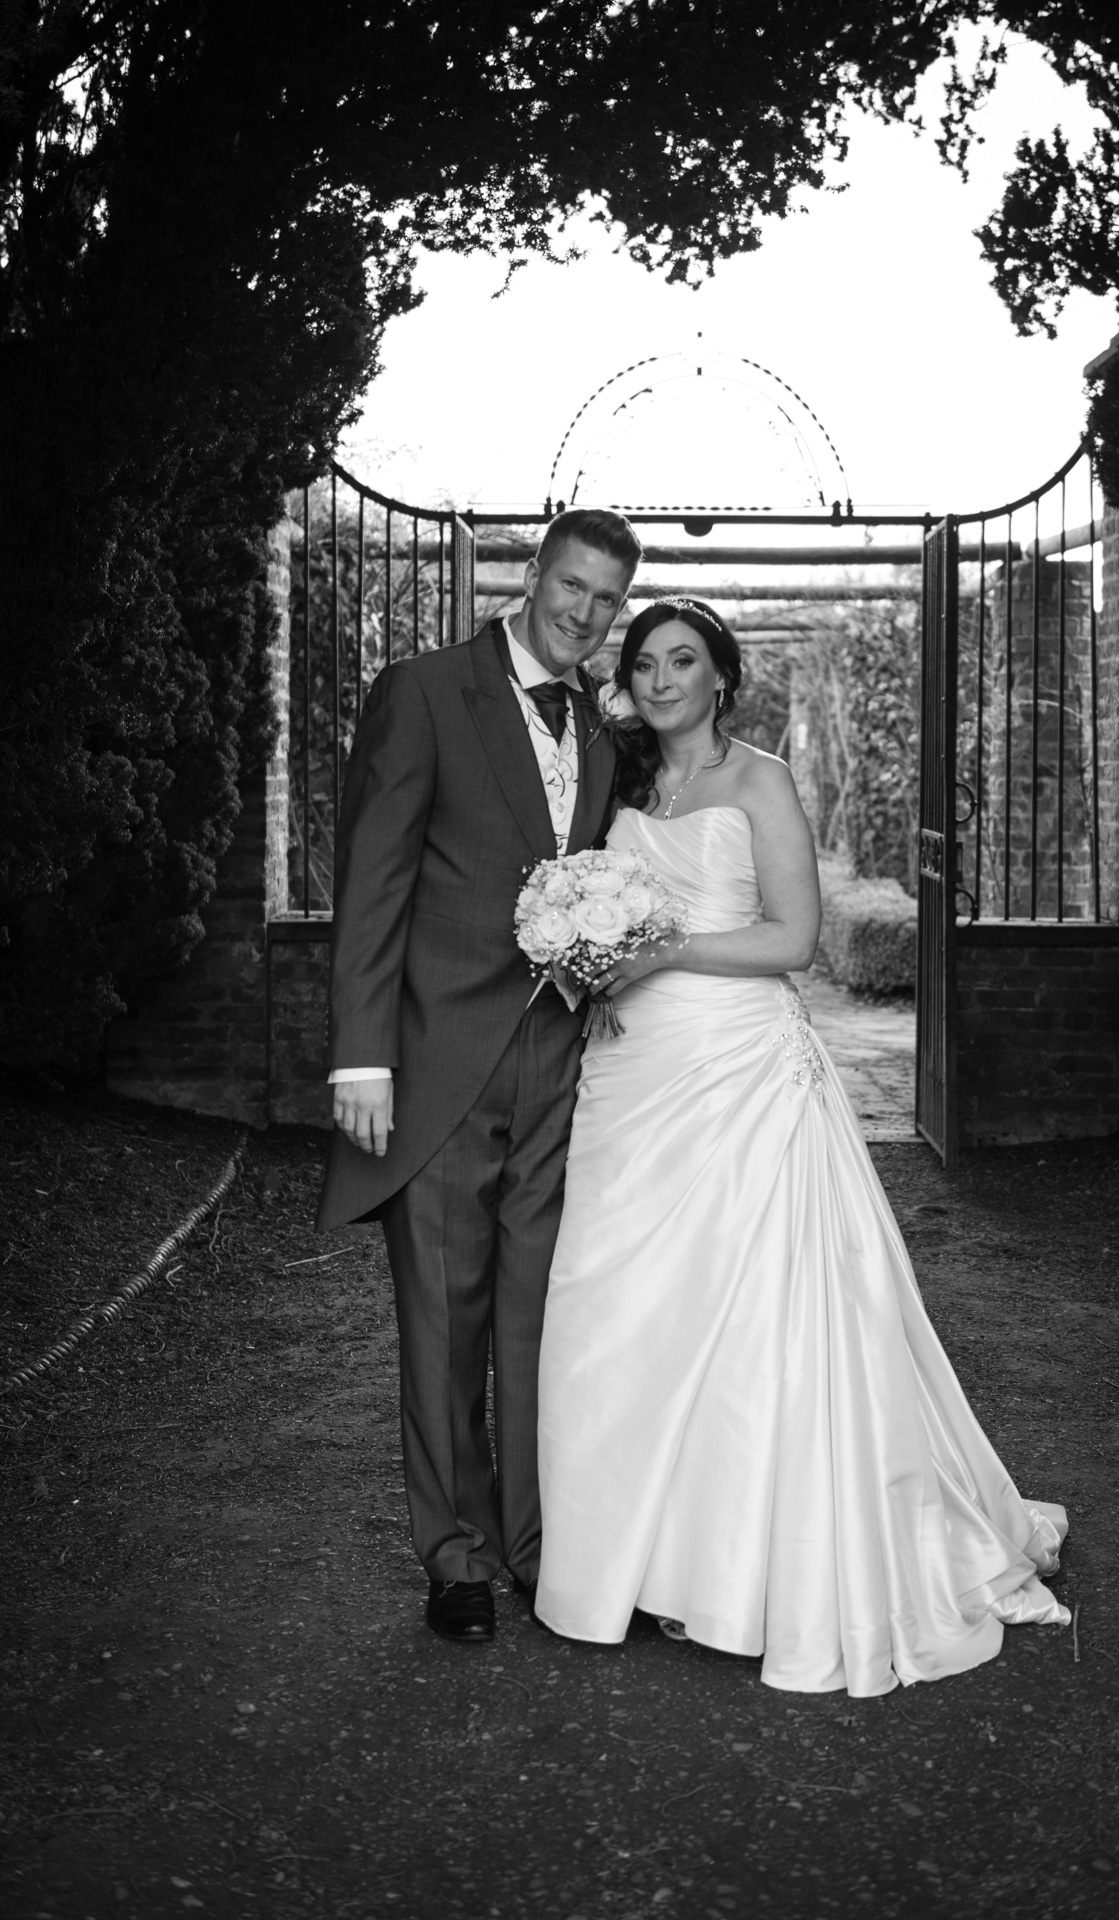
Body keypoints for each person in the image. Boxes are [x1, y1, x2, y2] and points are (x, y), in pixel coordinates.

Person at [534, 596, 1069, 1696]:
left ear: (723, 675)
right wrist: (586, 947)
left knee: (755, 1315)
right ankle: (633, 1562)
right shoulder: (618, 779)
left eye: (685, 658)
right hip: (629, 1073)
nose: (664, 676)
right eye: (646, 661)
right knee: (625, 1306)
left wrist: (657, 947)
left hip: (738, 1073)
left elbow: (794, 937)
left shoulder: (759, 778)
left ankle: (747, 1569)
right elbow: (591, 895)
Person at [318, 507, 642, 1644]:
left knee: (540, 1316)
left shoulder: (606, 729)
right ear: (533, 575)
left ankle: (539, 1547)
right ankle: (454, 1555)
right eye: (572, 586)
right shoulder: (424, 690)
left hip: (560, 1063)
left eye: (607, 598)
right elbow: (372, 880)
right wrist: (362, 1053)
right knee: (443, 1318)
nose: (585, 613)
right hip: (440, 1056)